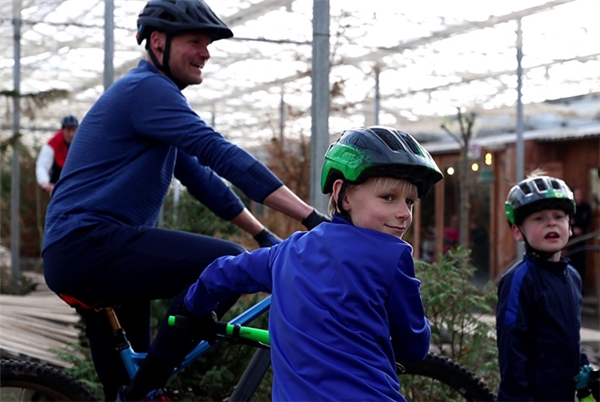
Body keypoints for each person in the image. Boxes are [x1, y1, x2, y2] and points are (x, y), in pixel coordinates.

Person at [41, 1, 329, 400]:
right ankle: (148, 385)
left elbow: (204, 182)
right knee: (226, 263)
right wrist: (313, 218)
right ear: (159, 42)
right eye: (195, 41)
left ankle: (139, 390)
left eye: (208, 43)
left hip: (81, 251)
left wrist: (262, 235)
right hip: (89, 243)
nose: (205, 53)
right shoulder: (148, 90)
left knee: (125, 392)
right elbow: (219, 153)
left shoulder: (150, 104)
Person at [183, 126, 444, 401]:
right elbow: (414, 347)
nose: (404, 213)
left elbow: (221, 273)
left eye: (410, 202)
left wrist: (196, 310)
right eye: (388, 197)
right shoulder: (392, 255)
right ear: (343, 194)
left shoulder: (287, 251)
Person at [496, 173, 590, 401]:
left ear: (569, 226)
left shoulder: (572, 277)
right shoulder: (519, 279)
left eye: (559, 216)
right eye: (539, 218)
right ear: (518, 231)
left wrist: (582, 365)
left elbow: (566, 335)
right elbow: (511, 345)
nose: (551, 223)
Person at [35, 114, 79, 194]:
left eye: (73, 130)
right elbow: (42, 165)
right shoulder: (53, 144)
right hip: (57, 188)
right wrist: (45, 183)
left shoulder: (81, 144)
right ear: (63, 130)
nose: (71, 134)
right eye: (68, 130)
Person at [568, 187, 593, 293]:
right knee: (571, 262)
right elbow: (568, 221)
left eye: (580, 194)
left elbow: (586, 221)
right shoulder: (570, 208)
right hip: (571, 241)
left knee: (582, 264)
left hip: (582, 240)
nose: (579, 196)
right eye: (577, 194)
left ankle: (581, 288)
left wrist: (579, 227)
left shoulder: (585, 208)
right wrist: (573, 229)